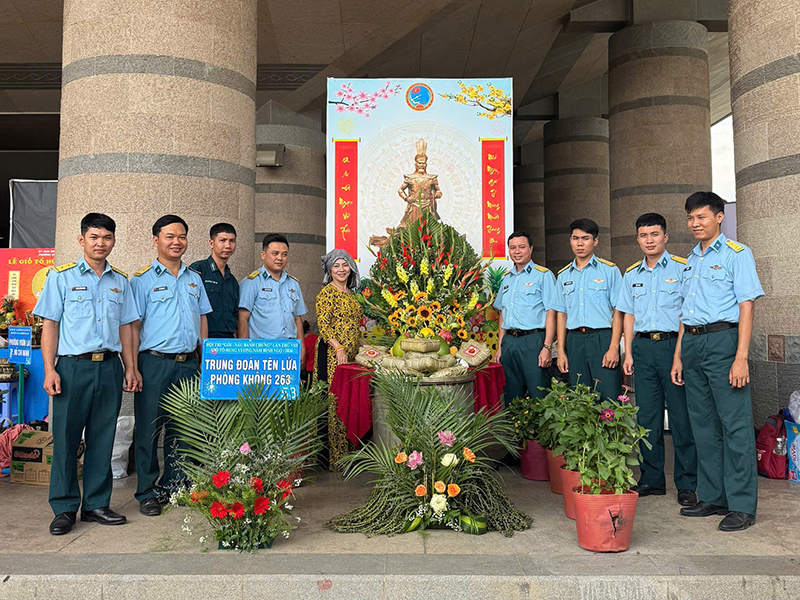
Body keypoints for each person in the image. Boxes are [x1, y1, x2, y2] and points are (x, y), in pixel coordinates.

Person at [34, 213, 139, 535]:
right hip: (72, 367)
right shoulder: (61, 277)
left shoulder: (120, 282)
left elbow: (126, 327)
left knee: (102, 439)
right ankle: (64, 507)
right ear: (82, 240)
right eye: (94, 237)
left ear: (114, 241)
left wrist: (130, 366)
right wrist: (50, 369)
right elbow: (50, 325)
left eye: (107, 237)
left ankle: (95, 504)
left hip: (108, 366)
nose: (100, 243)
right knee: (66, 440)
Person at [671, 192, 763, 532]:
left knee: (734, 424)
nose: (695, 223)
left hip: (723, 341)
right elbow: (685, 312)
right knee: (703, 425)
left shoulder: (737, 254)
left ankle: (742, 504)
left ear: (719, 217)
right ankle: (713, 496)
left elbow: (746, 306)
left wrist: (741, 357)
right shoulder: (690, 260)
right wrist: (679, 355)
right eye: (690, 218)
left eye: (701, 217)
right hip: (692, 343)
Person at [130, 215, 212, 517]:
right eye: (169, 236)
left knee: (182, 427)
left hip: (188, 364)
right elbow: (133, 326)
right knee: (149, 430)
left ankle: (175, 484)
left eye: (182, 236)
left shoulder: (194, 278)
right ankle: (147, 491)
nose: (177, 242)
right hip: (154, 363)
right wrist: (132, 367)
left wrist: (205, 358)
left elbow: (202, 318)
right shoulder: (141, 280)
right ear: (156, 241)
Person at [618, 213, 697, 506]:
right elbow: (628, 314)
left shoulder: (682, 268)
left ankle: (687, 483)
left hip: (672, 346)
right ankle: (651, 479)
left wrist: (679, 355)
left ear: (665, 236)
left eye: (654, 234)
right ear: (637, 239)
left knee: (680, 417)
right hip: (642, 347)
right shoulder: (631, 274)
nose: (649, 240)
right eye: (643, 235)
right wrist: (628, 351)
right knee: (647, 417)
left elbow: (687, 314)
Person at [554, 218, 623, 402]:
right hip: (575, 340)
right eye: (575, 238)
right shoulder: (563, 275)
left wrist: (614, 347)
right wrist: (560, 350)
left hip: (602, 338)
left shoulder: (609, 271)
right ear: (570, 241)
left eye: (585, 238)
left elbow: (618, 312)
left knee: (608, 395)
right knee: (580, 397)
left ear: (595, 241)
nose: (580, 243)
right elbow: (561, 314)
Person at [492, 231, 557, 404]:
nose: (517, 251)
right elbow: (502, 313)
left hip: (533, 341)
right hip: (509, 342)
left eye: (521, 247)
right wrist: (500, 346)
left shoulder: (543, 275)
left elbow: (551, 312)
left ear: (531, 248)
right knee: (511, 394)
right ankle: (515, 422)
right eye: (513, 247)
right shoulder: (506, 279)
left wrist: (547, 347)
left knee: (538, 392)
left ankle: (539, 423)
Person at [313, 249, 363, 470]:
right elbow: (324, 326)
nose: (341, 269)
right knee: (334, 402)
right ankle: (333, 458)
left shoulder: (351, 295)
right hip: (332, 355)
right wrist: (339, 348)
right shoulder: (326, 294)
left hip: (350, 357)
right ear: (329, 270)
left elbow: (353, 328)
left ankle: (348, 455)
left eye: (345, 265)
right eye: (336, 266)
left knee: (348, 402)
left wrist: (366, 348)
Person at [238, 233, 307, 366]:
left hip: (289, 349)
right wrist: (244, 350)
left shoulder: (293, 284)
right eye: (275, 253)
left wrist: (301, 348)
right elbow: (242, 318)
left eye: (284, 254)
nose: (280, 258)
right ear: (263, 255)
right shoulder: (252, 282)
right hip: (261, 351)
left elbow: (297, 318)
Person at [189, 223, 239, 338]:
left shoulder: (232, 280)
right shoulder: (198, 270)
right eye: (222, 240)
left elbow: (235, 315)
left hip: (228, 340)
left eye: (232, 241)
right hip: (205, 338)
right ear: (211, 243)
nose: (228, 245)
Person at [301, 321, 318, 385]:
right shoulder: (316, 337)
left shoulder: (304, 343)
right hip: (318, 366)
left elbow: (303, 359)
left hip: (309, 369)